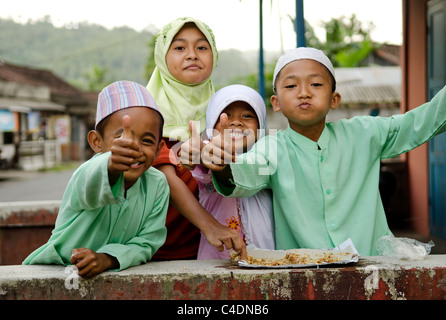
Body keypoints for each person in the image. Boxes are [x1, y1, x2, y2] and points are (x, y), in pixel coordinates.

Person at [204, 47, 446, 256]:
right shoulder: (272, 147)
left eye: (316, 84)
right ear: (276, 103)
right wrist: (223, 164)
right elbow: (245, 173)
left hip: (373, 267)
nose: (304, 92)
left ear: (334, 99)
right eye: (291, 85)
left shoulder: (365, 133)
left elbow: (422, 121)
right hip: (304, 276)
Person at [23, 81, 169, 277]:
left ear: (159, 149)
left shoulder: (158, 184)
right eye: (121, 139)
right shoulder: (87, 172)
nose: (133, 149)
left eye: (147, 141)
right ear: (96, 142)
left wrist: (107, 258)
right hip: (57, 270)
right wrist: (112, 164)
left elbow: (147, 242)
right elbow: (92, 184)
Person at [146, 17, 246, 260]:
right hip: (154, 247)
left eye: (202, 47)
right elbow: (166, 178)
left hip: (211, 250)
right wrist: (211, 226)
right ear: (162, 56)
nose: (192, 55)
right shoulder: (149, 111)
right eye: (179, 47)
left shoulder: (223, 111)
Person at [181, 84, 274, 259]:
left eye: (247, 115)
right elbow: (207, 159)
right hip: (216, 263)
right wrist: (201, 154)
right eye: (226, 115)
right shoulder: (210, 154)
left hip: (265, 261)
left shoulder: (267, 158)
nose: (237, 122)